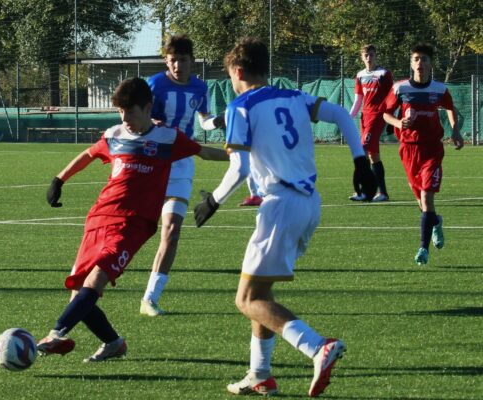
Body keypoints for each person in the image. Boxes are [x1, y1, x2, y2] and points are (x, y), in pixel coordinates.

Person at [193, 38, 376, 397]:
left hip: (280, 205)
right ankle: (259, 374)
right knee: (263, 291)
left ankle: (316, 346)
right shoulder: (294, 97)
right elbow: (341, 114)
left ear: (239, 71)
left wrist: (212, 201)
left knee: (246, 299)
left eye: (230, 75)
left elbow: (239, 166)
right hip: (309, 204)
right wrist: (359, 161)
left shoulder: (240, 106)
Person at [36, 77, 228, 361]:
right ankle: (114, 343)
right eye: (120, 112)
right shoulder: (114, 134)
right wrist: (59, 179)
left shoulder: (168, 138)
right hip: (99, 218)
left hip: (133, 225)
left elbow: (206, 152)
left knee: (97, 279)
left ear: (148, 107)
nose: (125, 118)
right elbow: (88, 155)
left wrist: (245, 155)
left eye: (131, 112)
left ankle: (57, 332)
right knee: (78, 293)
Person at [140, 34, 225, 316]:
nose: (177, 65)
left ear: (192, 61)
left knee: (172, 230)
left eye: (183, 60)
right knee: (138, 228)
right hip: (152, 162)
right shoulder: (154, 84)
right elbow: (139, 118)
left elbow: (204, 121)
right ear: (166, 60)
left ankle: (150, 298)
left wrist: (220, 120)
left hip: (182, 163)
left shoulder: (201, 87)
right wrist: (155, 124)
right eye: (172, 60)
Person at [383, 43, 464, 266]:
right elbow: (386, 115)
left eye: (424, 59)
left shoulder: (439, 89)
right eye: (417, 59)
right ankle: (436, 222)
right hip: (408, 150)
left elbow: (450, 107)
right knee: (421, 202)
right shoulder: (401, 89)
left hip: (432, 150)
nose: (420, 63)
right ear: (411, 63)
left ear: (431, 64)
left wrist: (455, 129)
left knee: (427, 198)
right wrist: (399, 122)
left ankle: (422, 248)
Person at [348, 44, 394, 202]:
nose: (369, 58)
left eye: (372, 55)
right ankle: (382, 193)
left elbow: (392, 98)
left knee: (362, 151)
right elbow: (358, 100)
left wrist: (392, 119)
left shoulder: (384, 74)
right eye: (366, 55)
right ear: (362, 57)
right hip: (365, 117)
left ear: (376, 56)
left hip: (378, 116)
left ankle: (363, 191)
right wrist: (348, 118)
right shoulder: (360, 75)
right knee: (373, 156)